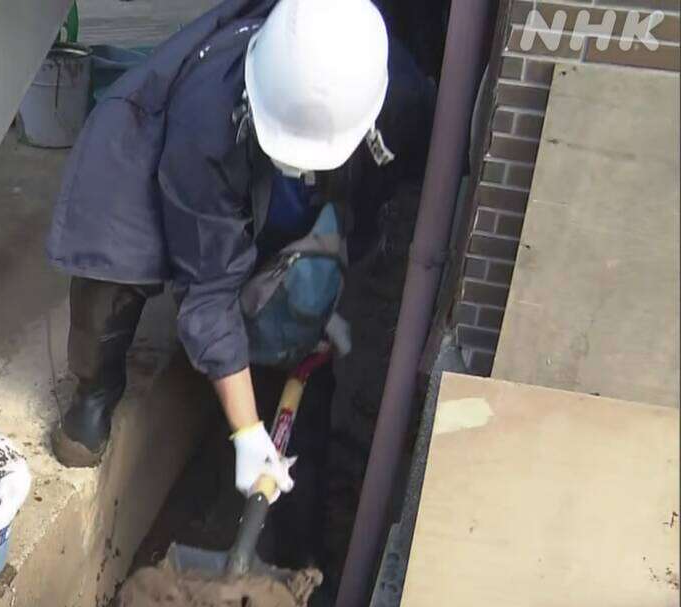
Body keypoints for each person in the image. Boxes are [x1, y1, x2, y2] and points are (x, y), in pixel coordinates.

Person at [46, 0, 435, 513]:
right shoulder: (206, 118)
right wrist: (249, 433)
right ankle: (95, 390)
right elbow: (207, 289)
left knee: (277, 247)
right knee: (117, 245)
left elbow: (378, 197)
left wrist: (343, 293)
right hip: (154, 140)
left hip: (274, 161)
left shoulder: (381, 86)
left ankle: (240, 356)